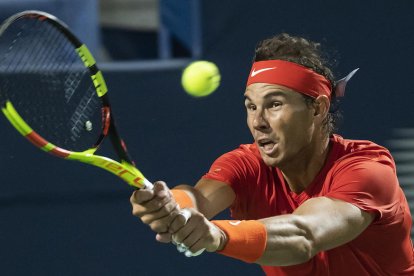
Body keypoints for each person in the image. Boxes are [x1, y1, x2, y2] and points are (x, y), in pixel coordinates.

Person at [130, 33, 414, 275]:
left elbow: (305, 234)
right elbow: (199, 198)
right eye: (251, 107)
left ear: (318, 108)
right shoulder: (245, 164)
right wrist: (171, 206)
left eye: (274, 104)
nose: (258, 121)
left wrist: (218, 235)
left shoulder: (368, 170)